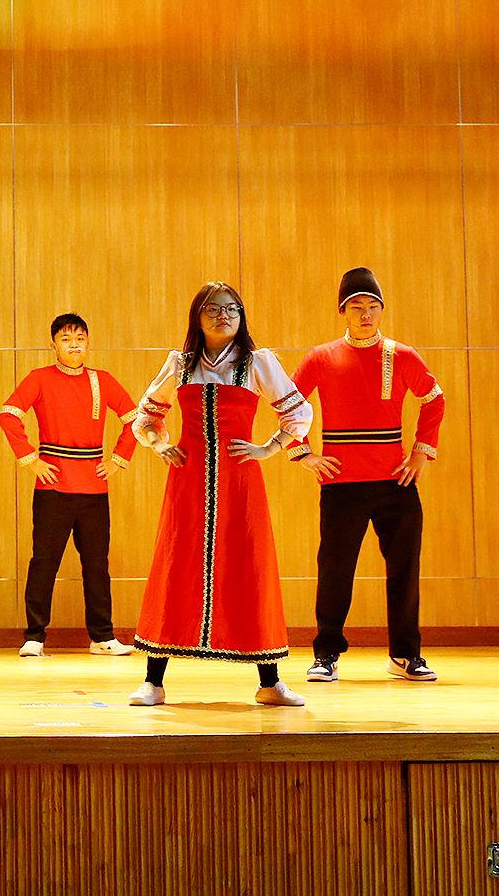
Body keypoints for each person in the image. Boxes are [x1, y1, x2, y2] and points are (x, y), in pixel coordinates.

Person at [127, 281, 312, 708]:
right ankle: (153, 681)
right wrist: (159, 444)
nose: (223, 316)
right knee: (176, 563)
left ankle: (270, 683)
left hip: (240, 481)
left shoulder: (258, 363)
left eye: (231, 309)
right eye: (212, 309)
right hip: (188, 482)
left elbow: (298, 412)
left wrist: (268, 448)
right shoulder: (180, 363)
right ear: (198, 316)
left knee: (249, 564)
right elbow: (147, 415)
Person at [292, 267, 446, 686]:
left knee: (404, 570)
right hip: (341, 484)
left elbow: (434, 399)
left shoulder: (402, 355)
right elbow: (289, 402)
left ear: (382, 310)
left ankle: (405, 655)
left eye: (373, 306)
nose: (365, 314)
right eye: (356, 307)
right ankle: (326, 654)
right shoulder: (321, 356)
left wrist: (422, 451)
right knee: (335, 570)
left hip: (397, 482)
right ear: (342, 311)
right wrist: (303, 452)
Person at [0, 312, 138, 658]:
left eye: (80, 339)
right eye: (66, 339)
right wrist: (30, 458)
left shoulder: (102, 380)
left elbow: (136, 419)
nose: (74, 345)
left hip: (94, 487)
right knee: (44, 562)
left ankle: (103, 636)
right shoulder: (39, 378)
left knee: (97, 565)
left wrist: (118, 459)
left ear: (88, 343)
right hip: (53, 487)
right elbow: (8, 415)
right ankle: (34, 636)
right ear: (54, 345)